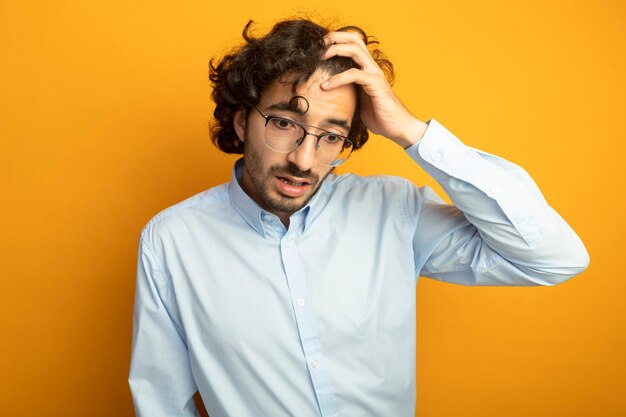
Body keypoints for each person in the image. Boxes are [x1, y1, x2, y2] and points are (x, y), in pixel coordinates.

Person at [129, 18, 589, 417]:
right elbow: (162, 402)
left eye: (332, 136)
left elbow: (553, 258)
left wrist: (410, 130)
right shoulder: (172, 241)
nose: (305, 160)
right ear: (240, 121)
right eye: (284, 123)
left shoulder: (395, 211)